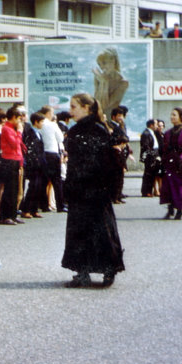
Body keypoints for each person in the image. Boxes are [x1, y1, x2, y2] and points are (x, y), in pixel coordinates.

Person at [61, 93, 124, 287]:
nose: (71, 111)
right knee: (79, 231)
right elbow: (72, 163)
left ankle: (108, 269)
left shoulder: (99, 129)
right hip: (80, 189)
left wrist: (107, 188)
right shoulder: (74, 131)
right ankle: (83, 271)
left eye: (74, 107)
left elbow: (106, 161)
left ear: (87, 108)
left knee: (100, 229)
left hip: (95, 189)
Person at [0, 105, 26, 225]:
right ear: (13, 117)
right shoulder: (6, 129)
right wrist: (19, 132)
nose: (20, 122)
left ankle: (13, 214)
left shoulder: (13, 129)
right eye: (19, 119)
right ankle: (5, 216)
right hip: (8, 160)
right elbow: (14, 144)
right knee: (9, 189)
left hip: (16, 160)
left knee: (15, 190)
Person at [20, 111, 46, 218]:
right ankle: (26, 209)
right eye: (42, 122)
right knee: (32, 187)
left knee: (39, 187)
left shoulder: (39, 133)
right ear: (36, 122)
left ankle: (34, 209)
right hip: (33, 164)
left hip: (40, 163)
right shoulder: (29, 133)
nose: (43, 124)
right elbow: (29, 149)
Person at [39, 106, 65, 212]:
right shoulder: (52, 125)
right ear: (48, 113)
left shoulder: (39, 125)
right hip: (53, 153)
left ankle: (44, 205)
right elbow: (60, 138)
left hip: (43, 153)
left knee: (44, 181)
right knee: (56, 181)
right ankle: (60, 205)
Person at [93, 48, 129, 114]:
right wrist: (102, 82)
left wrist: (104, 83)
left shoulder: (123, 82)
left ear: (113, 61)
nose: (102, 67)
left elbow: (105, 106)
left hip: (109, 118)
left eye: (104, 63)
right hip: (97, 115)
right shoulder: (100, 77)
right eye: (99, 64)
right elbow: (96, 103)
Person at [140, 119, 160, 197]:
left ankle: (149, 190)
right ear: (151, 125)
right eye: (156, 124)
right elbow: (146, 147)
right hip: (149, 157)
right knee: (148, 174)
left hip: (154, 155)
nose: (157, 126)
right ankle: (146, 191)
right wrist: (152, 155)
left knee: (152, 174)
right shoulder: (146, 133)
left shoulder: (152, 133)